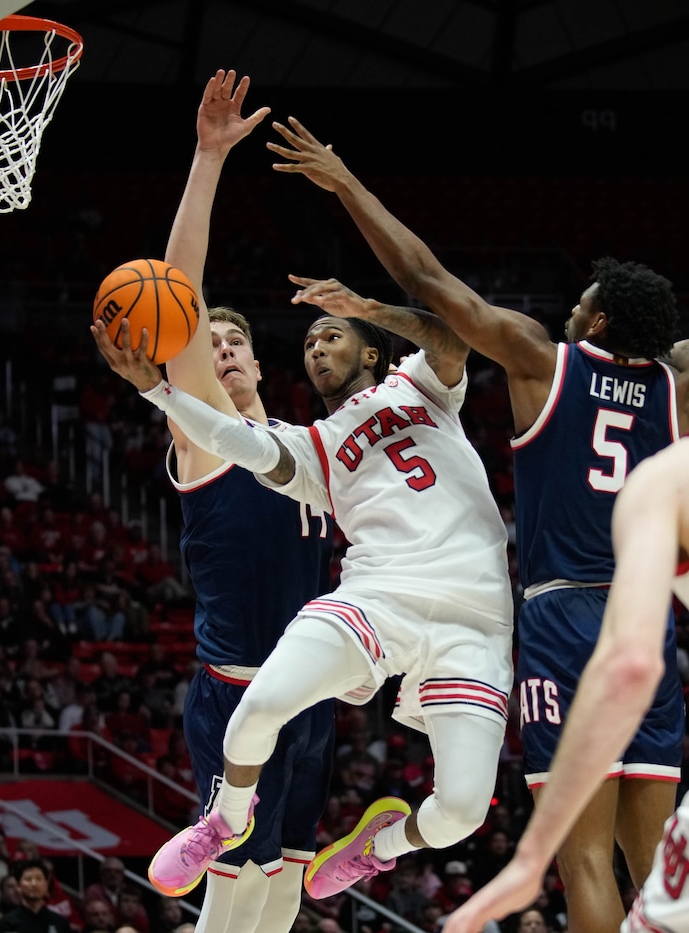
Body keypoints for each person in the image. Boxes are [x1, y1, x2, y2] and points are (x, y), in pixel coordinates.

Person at [266, 117, 689, 932]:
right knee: (656, 861)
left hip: (566, 618)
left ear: (597, 325)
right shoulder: (675, 390)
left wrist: (345, 182)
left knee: (583, 857)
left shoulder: (542, 359)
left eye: (583, 301)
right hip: (648, 622)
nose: (571, 307)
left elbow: (429, 280)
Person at [92, 242, 514, 912]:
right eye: (309, 338)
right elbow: (236, 440)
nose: (316, 346)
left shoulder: (421, 386)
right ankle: (223, 818)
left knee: (458, 814)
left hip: (469, 616)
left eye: (333, 333)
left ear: (372, 351)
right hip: (358, 611)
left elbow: (450, 333)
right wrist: (156, 388)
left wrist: (367, 305)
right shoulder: (311, 444)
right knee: (255, 725)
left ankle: (377, 846)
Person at [101, 70, 336, 933]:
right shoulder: (204, 439)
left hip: (311, 694)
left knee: (284, 886)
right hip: (239, 695)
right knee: (233, 889)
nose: (224, 349)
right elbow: (181, 287)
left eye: (238, 340)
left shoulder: (314, 449)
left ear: (264, 363)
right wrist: (207, 159)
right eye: (212, 340)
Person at [441, 437, 689, 931]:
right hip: (634, 613)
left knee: (590, 864)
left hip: (572, 610)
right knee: (655, 868)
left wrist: (529, 861)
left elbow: (629, 665)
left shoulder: (665, 478)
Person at [0, 859, 72, 933]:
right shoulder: (7, 923)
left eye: (38, 879)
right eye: (28, 879)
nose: (34, 884)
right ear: (18, 886)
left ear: (46, 884)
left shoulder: (60, 923)